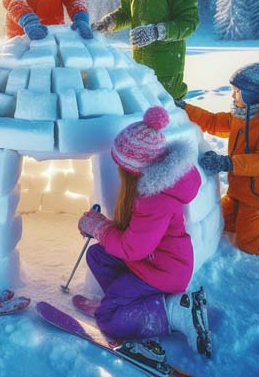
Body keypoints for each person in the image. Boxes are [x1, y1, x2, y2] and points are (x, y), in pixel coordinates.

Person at [77, 106, 211, 356]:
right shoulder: (155, 187)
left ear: (132, 169)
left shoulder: (153, 199)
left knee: (107, 319)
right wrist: (101, 229)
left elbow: (132, 248)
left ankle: (174, 311)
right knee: (97, 255)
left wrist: (99, 227)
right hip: (151, 262)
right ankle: (131, 305)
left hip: (162, 273)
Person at [176, 55, 259, 254]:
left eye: (237, 92)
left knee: (250, 242)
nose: (233, 96)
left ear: (252, 95)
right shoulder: (242, 115)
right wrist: (186, 109)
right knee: (221, 220)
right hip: (239, 190)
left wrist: (228, 163)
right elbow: (214, 122)